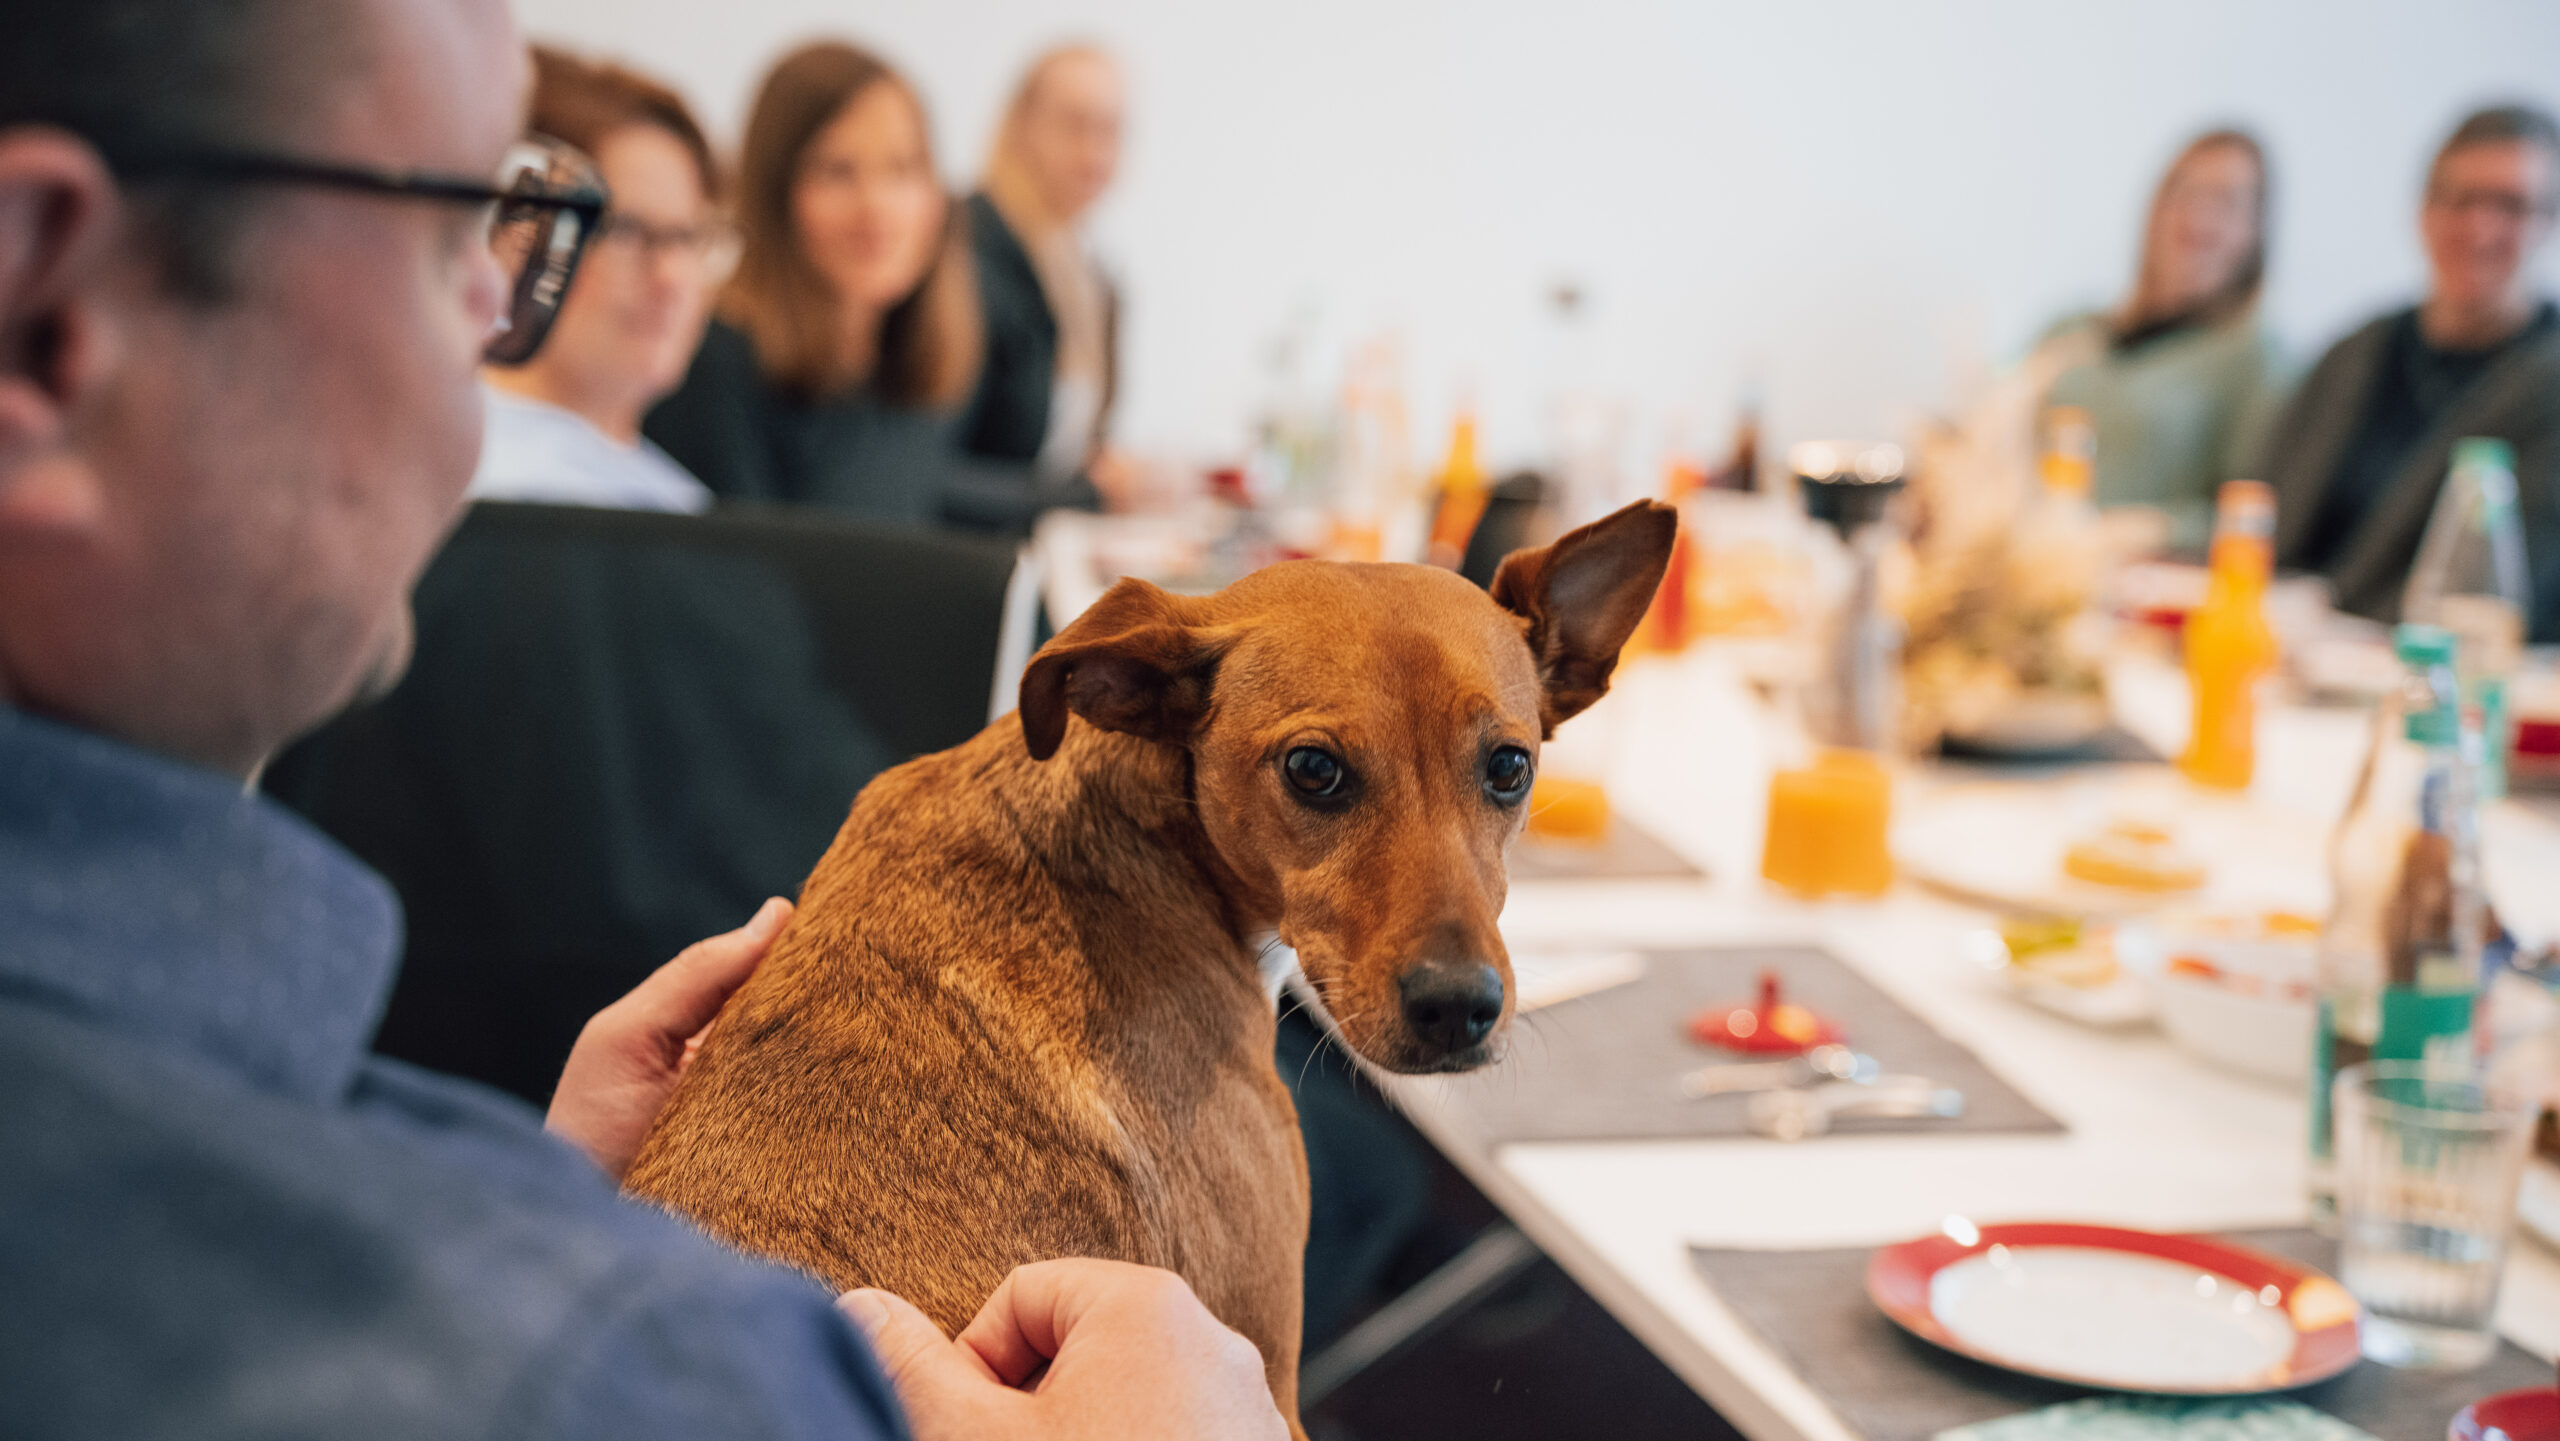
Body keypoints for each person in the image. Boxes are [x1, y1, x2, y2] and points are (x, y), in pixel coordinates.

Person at [0, 3, 1286, 1438]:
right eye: (457, 228)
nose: (497, 315)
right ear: (54, 319)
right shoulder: (637, 1375)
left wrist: (535, 1195)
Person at [645, 41, 1098, 535]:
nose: (877, 208)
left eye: (903, 169)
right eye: (837, 170)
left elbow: (930, 496)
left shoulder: (908, 362)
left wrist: (1093, 492)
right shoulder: (714, 366)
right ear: (775, 195)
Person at [2265, 104, 2560, 638]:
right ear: (2424, 211)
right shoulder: (2358, 352)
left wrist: (2327, 619)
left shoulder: (2547, 385)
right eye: (2461, 200)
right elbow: (2261, 505)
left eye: (2511, 206)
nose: (2481, 228)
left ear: (2548, 223)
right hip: (2276, 640)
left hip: (2431, 672)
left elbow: (2515, 595)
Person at [470, 46, 728, 513]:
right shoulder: (474, 488)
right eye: (627, 232)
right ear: (519, 240)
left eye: (688, 237)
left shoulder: (686, 508)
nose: (671, 277)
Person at [2038, 129, 2284, 547]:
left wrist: (2140, 530)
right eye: (2185, 192)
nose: (2200, 216)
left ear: (2256, 230)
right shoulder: (2071, 327)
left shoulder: (2258, 362)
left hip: (2145, 585)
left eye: (2226, 202)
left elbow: (2251, 514)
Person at [961, 44, 1133, 498]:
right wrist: (1087, 493)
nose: (1094, 151)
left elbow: (1075, 451)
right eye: (1074, 125)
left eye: (1111, 130)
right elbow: (931, 469)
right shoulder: (964, 252)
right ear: (1021, 126)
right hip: (972, 554)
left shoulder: (1094, 279)